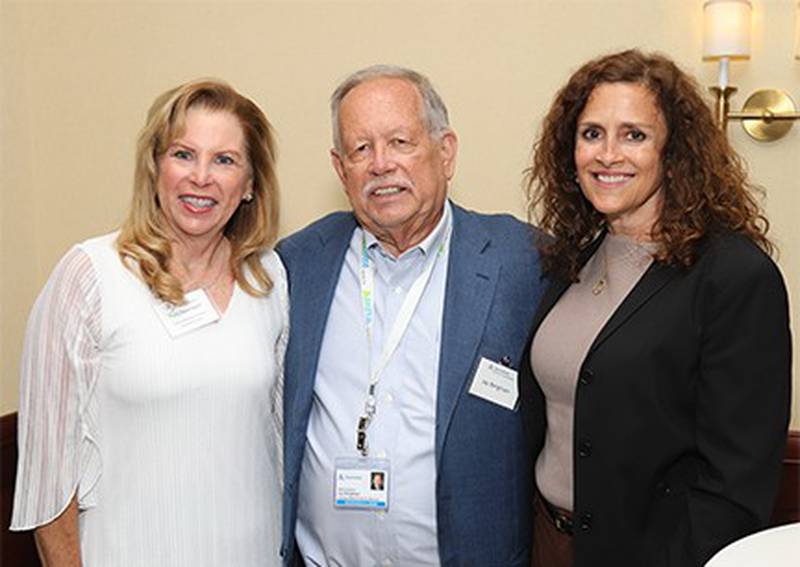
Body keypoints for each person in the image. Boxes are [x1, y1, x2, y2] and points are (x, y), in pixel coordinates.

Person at [522, 49, 792, 566]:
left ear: (674, 152)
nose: (607, 154)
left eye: (634, 135)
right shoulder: (572, 259)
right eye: (592, 133)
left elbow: (738, 482)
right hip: (547, 542)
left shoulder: (733, 276)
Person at [11, 79, 288, 566]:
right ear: (155, 166)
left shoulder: (267, 279)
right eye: (184, 154)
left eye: (224, 160)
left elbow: (279, 441)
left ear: (249, 185)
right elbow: (46, 482)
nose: (200, 177)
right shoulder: (88, 276)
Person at [277, 65, 546, 566]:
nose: (381, 164)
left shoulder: (523, 262)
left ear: (445, 152)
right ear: (341, 170)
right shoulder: (296, 265)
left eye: (400, 142)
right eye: (361, 149)